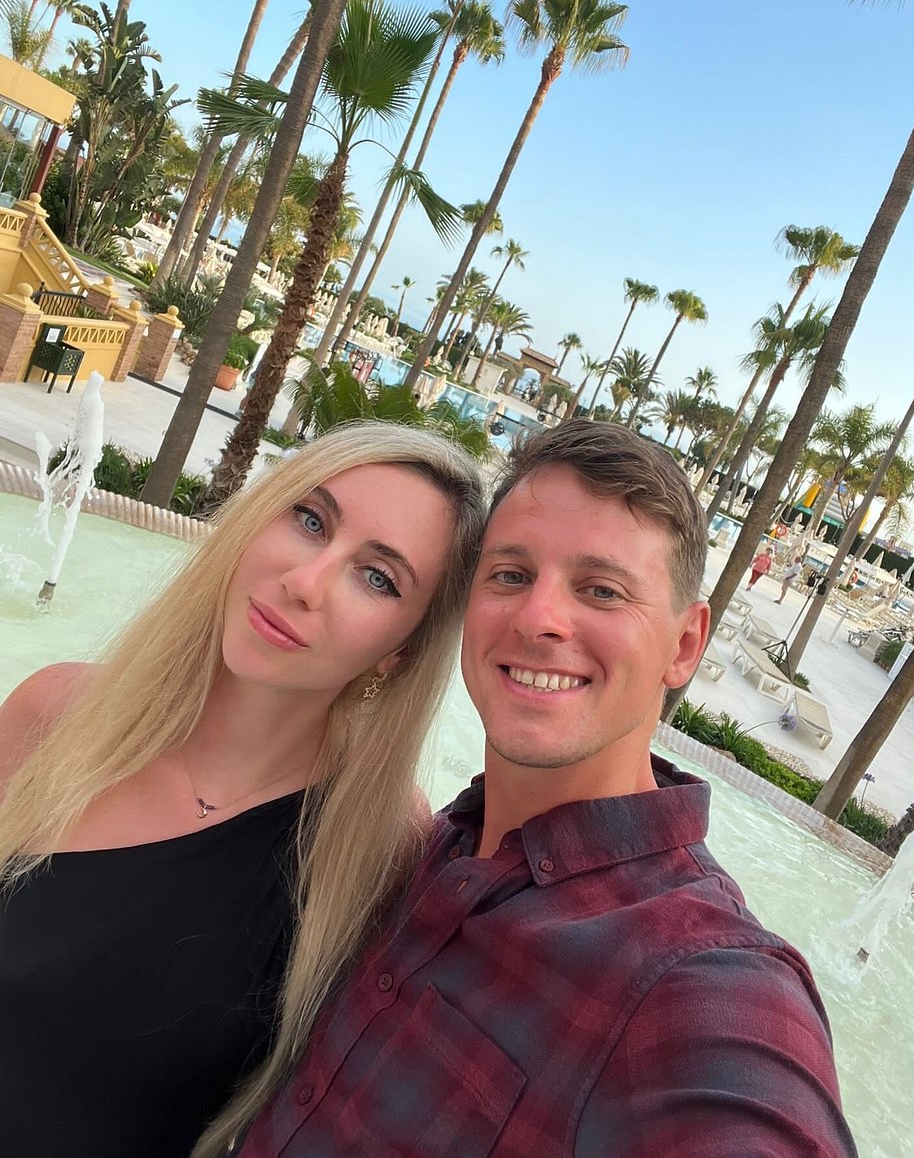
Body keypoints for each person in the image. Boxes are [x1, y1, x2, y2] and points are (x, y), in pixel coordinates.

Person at [235, 420, 856, 1157]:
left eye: (602, 590)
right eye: (510, 575)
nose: (538, 619)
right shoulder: (429, 849)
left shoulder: (701, 983)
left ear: (685, 644)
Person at [0, 423, 485, 1158]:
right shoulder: (57, 713)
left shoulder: (375, 848)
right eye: (310, 520)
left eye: (377, 577)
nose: (305, 582)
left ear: (401, 651)